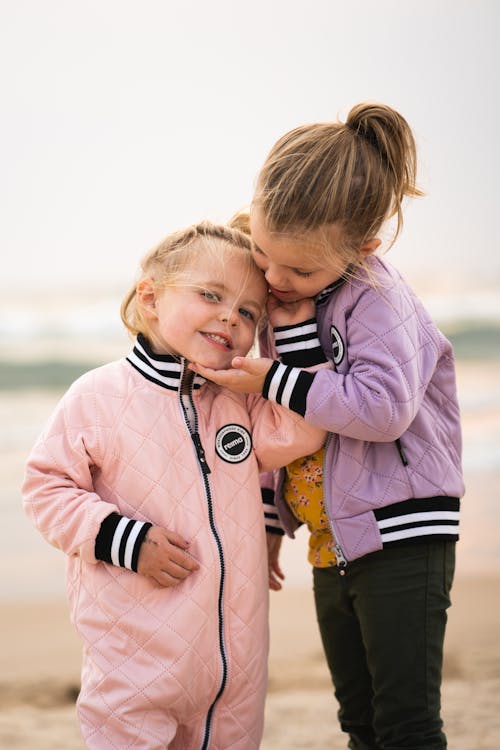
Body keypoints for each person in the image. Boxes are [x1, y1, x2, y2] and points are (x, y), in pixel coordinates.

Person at [192, 104, 465, 750]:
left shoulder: (377, 298)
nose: (276, 280)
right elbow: (272, 427)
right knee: (361, 722)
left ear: (363, 248)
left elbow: (381, 408)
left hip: (403, 530)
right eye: (263, 254)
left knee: (407, 725)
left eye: (300, 270)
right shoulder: (285, 304)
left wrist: (274, 378)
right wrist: (265, 523)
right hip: (331, 540)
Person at [21, 221, 327, 750]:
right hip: (135, 657)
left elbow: (305, 427)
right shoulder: (98, 395)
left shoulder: (242, 401)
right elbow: (45, 487)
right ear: (151, 297)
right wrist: (125, 539)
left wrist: (291, 330)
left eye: (250, 311)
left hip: (237, 663)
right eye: (210, 294)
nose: (231, 315)